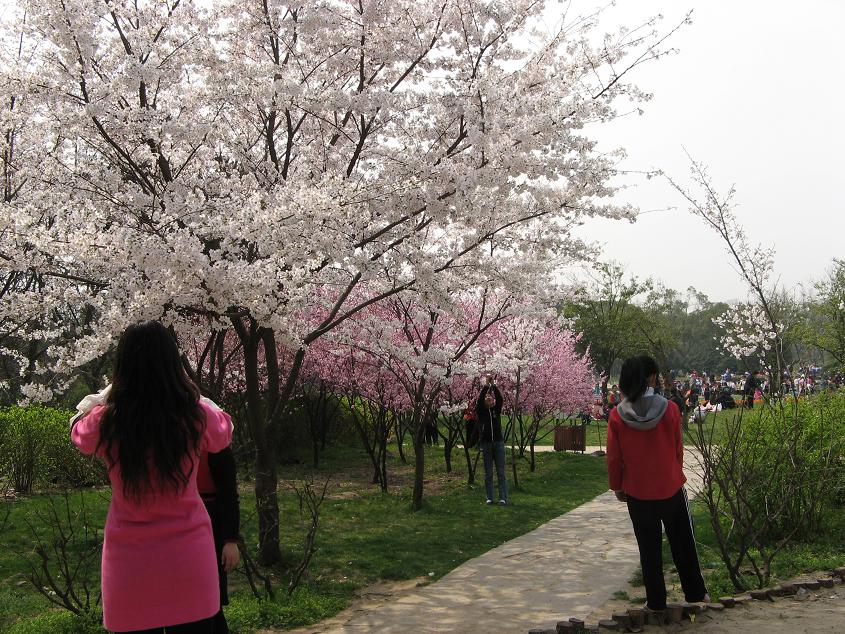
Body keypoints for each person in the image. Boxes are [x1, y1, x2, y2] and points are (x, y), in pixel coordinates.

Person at [70, 321, 233, 633]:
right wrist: (191, 393)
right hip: (190, 560)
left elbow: (78, 432)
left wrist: (102, 398)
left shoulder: (108, 421)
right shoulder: (194, 416)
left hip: (129, 565)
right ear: (173, 364)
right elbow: (223, 432)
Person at [606, 355, 708, 611]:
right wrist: (674, 473)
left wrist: (618, 486)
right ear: (650, 378)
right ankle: (695, 593)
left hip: (638, 493)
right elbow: (677, 450)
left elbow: (614, 458)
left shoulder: (617, 416)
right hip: (671, 488)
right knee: (683, 543)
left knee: (649, 549)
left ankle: (656, 601)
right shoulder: (670, 409)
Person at [197, 447, 241, 633]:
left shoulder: (214, 440)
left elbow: (228, 492)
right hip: (173, 526)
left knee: (210, 604)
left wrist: (230, 540)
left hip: (210, 524)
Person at [475, 374, 508, 505]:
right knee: (488, 473)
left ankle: (503, 498)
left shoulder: (496, 411)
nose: (489, 398)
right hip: (487, 443)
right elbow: (478, 402)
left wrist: (493, 385)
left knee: (501, 472)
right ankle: (489, 497)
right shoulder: (482, 412)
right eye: (487, 398)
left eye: (490, 398)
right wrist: (485, 386)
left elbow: (500, 399)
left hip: (498, 443)